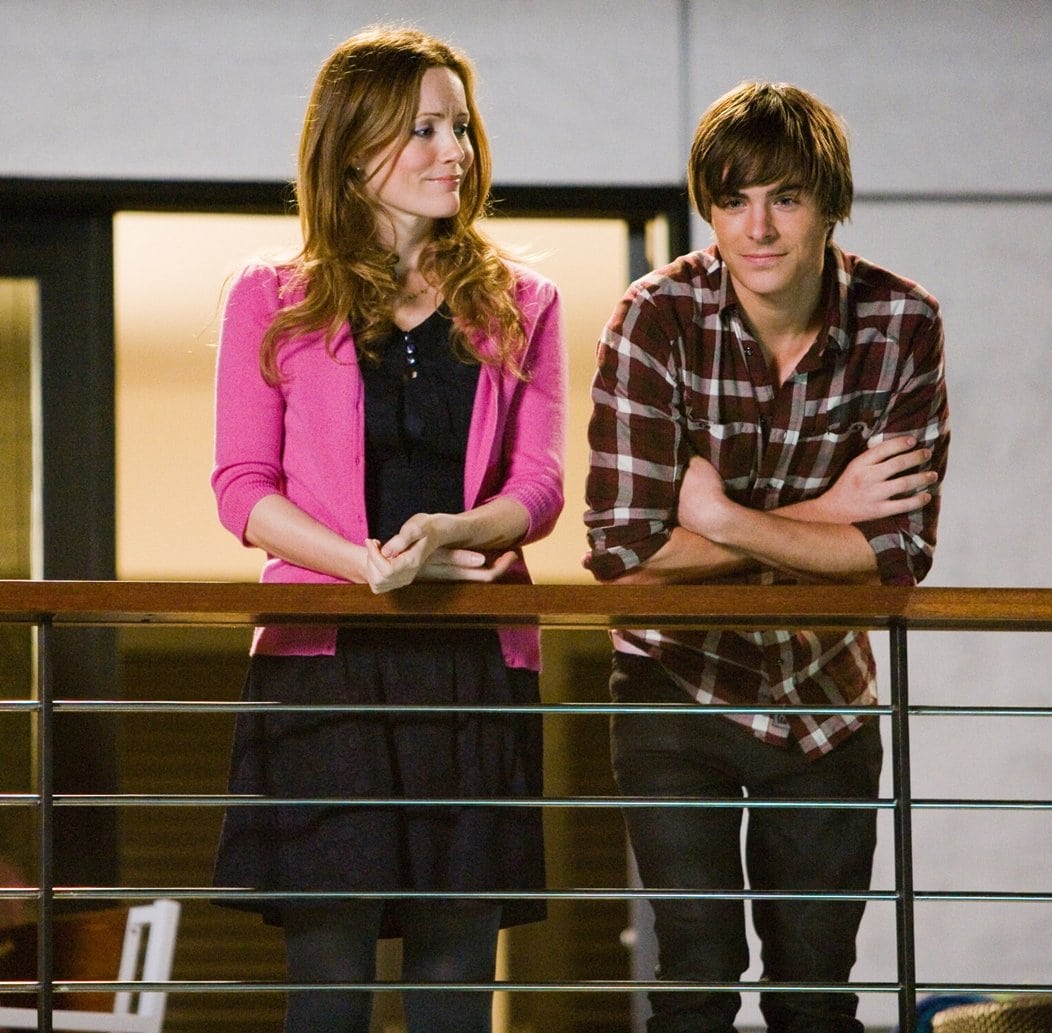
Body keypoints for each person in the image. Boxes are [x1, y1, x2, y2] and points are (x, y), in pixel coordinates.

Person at [210, 26, 566, 1033]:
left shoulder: (525, 302)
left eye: (461, 126)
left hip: (472, 663)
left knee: (455, 986)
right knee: (329, 985)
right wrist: (361, 564)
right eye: (423, 129)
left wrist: (455, 530)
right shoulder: (269, 297)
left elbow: (540, 487)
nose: (455, 150)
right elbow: (242, 489)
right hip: (324, 667)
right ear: (353, 147)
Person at [585, 81, 949, 1033]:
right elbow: (623, 550)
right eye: (733, 200)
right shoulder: (655, 317)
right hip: (674, 683)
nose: (757, 228)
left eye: (785, 198)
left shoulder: (901, 323)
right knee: (697, 982)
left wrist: (722, 518)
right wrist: (825, 515)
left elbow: (897, 552)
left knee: (814, 996)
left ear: (830, 205)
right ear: (709, 209)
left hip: (825, 696)